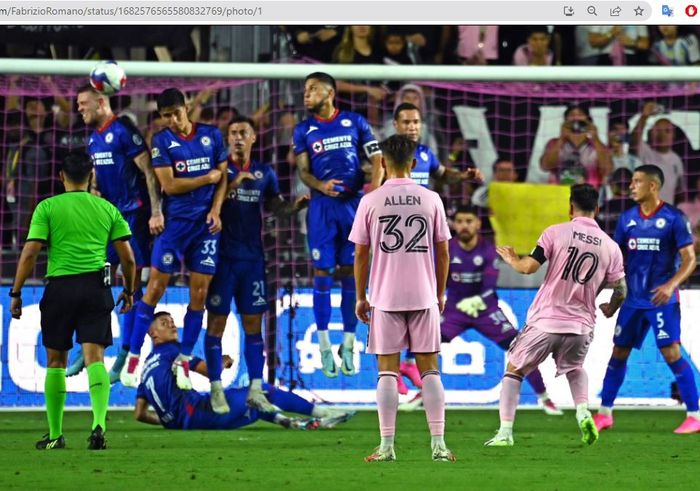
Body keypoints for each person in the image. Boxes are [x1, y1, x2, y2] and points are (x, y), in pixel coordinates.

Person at [10, 150, 136, 450]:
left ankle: (55, 435)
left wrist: (15, 292)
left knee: (56, 362)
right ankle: (99, 426)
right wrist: (130, 291)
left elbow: (29, 252)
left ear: (60, 176)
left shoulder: (47, 207)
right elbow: (129, 259)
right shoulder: (107, 209)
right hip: (96, 288)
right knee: (95, 359)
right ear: (91, 176)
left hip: (60, 290)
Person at [485, 184, 626, 447]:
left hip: (546, 320)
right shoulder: (611, 247)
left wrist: (513, 259)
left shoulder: (555, 233)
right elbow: (622, 288)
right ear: (597, 208)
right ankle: (583, 411)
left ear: (570, 207)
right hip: (581, 326)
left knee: (514, 371)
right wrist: (611, 307)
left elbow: (528, 268)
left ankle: (505, 432)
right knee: (574, 368)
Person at [350, 135, 455, 462]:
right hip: (423, 294)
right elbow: (443, 252)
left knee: (387, 372)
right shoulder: (431, 198)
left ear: (383, 162)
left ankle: (386, 446)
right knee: (430, 370)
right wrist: (439, 292)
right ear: (413, 163)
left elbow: (360, 255)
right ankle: (438, 445)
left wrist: (360, 296)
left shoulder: (371, 201)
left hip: (385, 295)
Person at [120, 88, 228, 390]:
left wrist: (217, 210)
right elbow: (169, 185)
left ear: (187, 107)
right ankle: (133, 356)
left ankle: (183, 360)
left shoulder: (211, 136)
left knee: (199, 295)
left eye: (175, 113)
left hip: (205, 228)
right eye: (166, 115)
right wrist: (205, 179)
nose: (172, 120)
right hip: (176, 225)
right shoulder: (162, 141)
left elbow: (224, 178)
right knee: (153, 288)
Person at [205, 115, 309, 413]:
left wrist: (295, 207)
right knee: (216, 324)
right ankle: (215, 388)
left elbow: (276, 208)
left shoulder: (265, 173)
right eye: (233, 132)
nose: (237, 137)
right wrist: (233, 183)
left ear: (253, 138)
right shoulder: (219, 172)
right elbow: (209, 209)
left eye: (243, 132)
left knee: (254, 325)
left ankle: (255, 387)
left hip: (252, 259)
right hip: (222, 259)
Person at [66, 84, 164, 383]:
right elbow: (97, 181)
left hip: (134, 216)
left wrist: (157, 211)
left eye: (83, 103)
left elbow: (148, 170)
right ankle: (88, 346)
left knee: (133, 285)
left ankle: (123, 356)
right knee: (90, 276)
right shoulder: (94, 139)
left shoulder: (123, 130)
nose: (79, 108)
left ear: (100, 102)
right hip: (108, 219)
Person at [594, 165, 699, 434]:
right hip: (632, 300)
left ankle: (695, 415)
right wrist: (614, 300)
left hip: (661, 300)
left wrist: (670, 285)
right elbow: (617, 263)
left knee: (671, 352)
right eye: (631, 181)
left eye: (637, 181)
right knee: (618, 352)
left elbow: (689, 259)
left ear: (653, 186)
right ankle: (604, 413)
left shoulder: (674, 218)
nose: (631, 186)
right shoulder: (627, 218)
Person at [389, 102, 482, 395]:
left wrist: (463, 176)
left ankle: (406, 363)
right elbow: (375, 189)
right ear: (396, 125)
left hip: (420, 240)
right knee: (394, 303)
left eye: (416, 121)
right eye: (406, 122)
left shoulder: (426, 154)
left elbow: (442, 175)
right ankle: (395, 367)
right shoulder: (387, 155)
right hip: (394, 242)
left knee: (422, 302)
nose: (412, 127)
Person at [293, 72, 382, 378]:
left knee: (350, 273)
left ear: (329, 93)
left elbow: (377, 160)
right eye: (305, 91)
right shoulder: (303, 130)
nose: (306, 95)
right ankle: (323, 344)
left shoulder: (356, 122)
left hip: (354, 206)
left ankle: (348, 342)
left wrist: (374, 187)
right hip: (321, 209)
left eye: (312, 90)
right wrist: (319, 183)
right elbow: (303, 171)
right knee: (322, 273)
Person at [134, 312, 355, 431]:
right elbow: (210, 371)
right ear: (153, 334)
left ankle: (288, 422)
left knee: (253, 406)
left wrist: (169, 422)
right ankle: (325, 413)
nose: (172, 325)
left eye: (172, 322)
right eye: (165, 323)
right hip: (200, 413)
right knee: (261, 392)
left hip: (185, 421)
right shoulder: (173, 352)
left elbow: (140, 414)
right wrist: (224, 360)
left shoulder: (145, 368)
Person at [440, 205, 562, 415]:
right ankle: (421, 393)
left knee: (521, 349)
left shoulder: (487, 249)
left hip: (486, 310)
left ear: (478, 224)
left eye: (469, 221)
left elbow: (489, 284)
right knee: (423, 342)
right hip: (455, 310)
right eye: (460, 221)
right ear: (453, 224)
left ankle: (544, 398)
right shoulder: (447, 248)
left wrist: (478, 300)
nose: (464, 226)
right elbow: (437, 279)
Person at [540, 105, 612, 188]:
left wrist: (595, 138)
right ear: (565, 121)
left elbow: (607, 171)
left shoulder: (598, 146)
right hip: (558, 195)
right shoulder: (554, 143)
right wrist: (561, 139)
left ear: (588, 120)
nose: (576, 117)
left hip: (588, 196)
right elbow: (545, 166)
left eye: (580, 114)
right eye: (571, 115)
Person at [631, 102, 684, 205]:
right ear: (651, 133)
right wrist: (644, 117)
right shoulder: (645, 152)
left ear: (674, 135)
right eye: (658, 130)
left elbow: (680, 192)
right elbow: (634, 139)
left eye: (667, 131)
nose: (662, 135)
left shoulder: (676, 159)